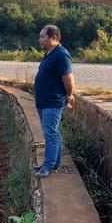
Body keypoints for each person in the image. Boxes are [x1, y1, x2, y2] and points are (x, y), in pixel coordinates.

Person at [34, 25, 76, 178]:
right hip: (44, 101)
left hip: (53, 102)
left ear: (53, 38)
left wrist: (69, 94)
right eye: (40, 36)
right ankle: (54, 162)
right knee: (54, 133)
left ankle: (48, 165)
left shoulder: (61, 55)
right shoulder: (50, 53)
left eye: (42, 36)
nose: (40, 40)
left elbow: (68, 78)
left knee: (50, 134)